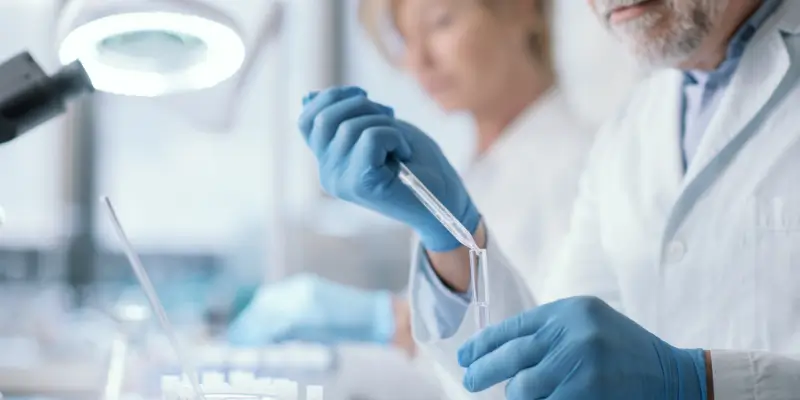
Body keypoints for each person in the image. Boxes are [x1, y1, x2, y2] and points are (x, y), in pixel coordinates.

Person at [297, 0, 800, 398]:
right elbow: (529, 377)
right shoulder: (632, 131)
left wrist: (703, 384)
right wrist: (451, 232)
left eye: (442, 23)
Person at [227, 0, 603, 358]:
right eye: (404, 39)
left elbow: (542, 349)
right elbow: (445, 361)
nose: (417, 61)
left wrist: (387, 319)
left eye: (440, 22)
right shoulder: (478, 167)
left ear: (524, 7)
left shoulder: (580, 165)